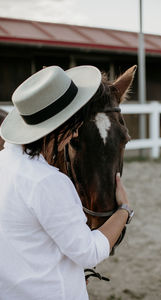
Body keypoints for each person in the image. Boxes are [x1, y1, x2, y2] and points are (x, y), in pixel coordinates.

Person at [0, 65, 133, 300]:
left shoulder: (4, 163)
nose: (74, 133)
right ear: (57, 129)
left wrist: (67, 273)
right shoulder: (48, 182)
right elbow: (89, 252)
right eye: (73, 126)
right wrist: (124, 211)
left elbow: (26, 241)